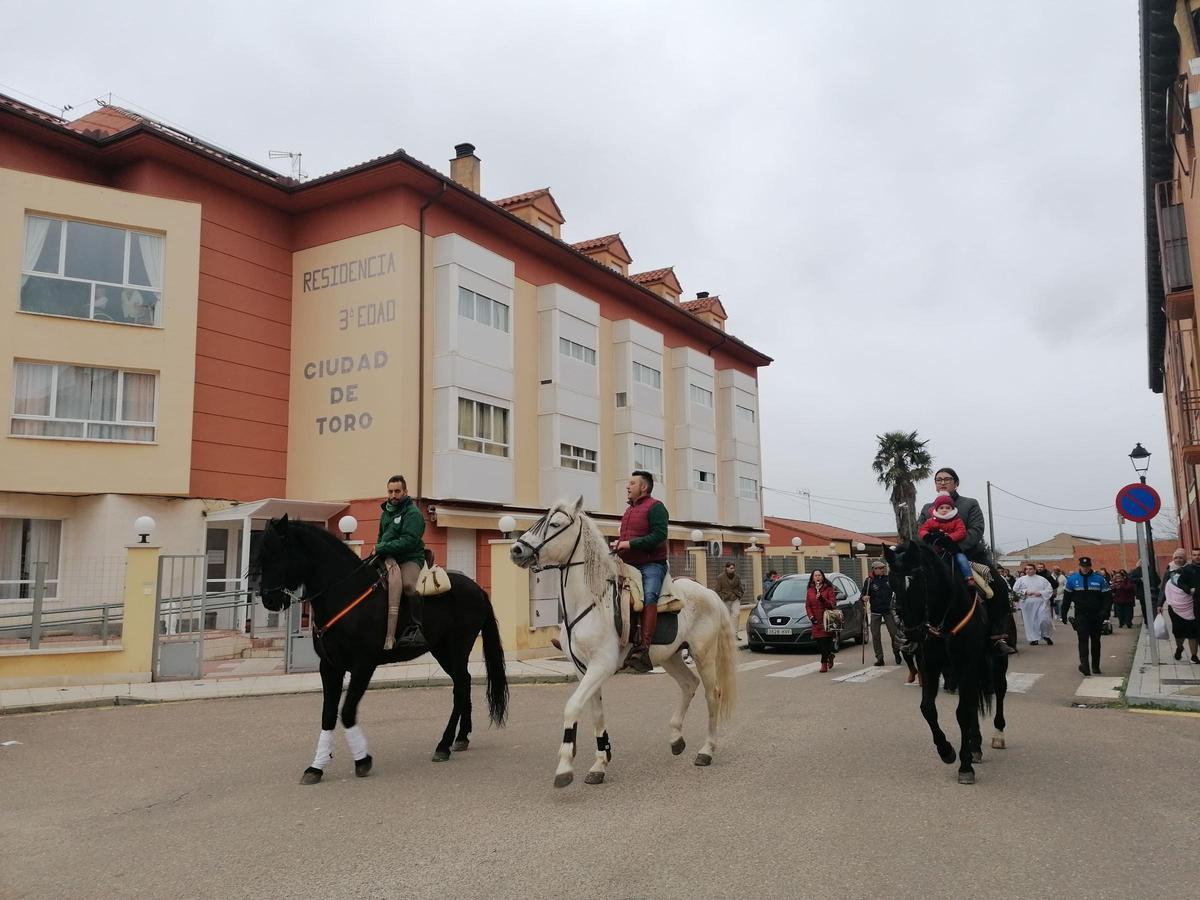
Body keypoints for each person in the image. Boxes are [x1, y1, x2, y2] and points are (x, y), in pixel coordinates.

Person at [919, 468, 1013, 654]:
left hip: (968, 555)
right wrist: (931, 545)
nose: (943, 482)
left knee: (998, 585)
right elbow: (920, 530)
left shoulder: (970, 504)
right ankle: (912, 634)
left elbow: (976, 530)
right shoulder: (927, 508)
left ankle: (997, 636)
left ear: (956, 483)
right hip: (937, 558)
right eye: (939, 480)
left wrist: (954, 545)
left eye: (947, 479)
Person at [613, 470, 669, 673]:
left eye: (632, 483)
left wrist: (629, 543)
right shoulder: (628, 511)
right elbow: (630, 538)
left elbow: (659, 536)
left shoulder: (656, 507)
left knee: (649, 595)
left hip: (651, 564)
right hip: (627, 563)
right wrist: (619, 543)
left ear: (643, 487)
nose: (627, 487)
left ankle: (643, 648)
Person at [375, 475, 427, 649]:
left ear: (405, 491)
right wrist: (379, 548)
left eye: (397, 491)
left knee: (408, 586)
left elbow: (409, 541)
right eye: (390, 491)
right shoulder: (386, 513)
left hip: (410, 558)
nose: (393, 495)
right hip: (389, 557)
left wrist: (382, 548)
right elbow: (381, 538)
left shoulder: (413, 514)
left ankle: (417, 627)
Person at [917, 494, 986, 596]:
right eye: (941, 508)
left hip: (955, 548)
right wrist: (928, 536)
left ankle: (969, 578)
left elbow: (962, 531)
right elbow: (921, 529)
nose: (944, 510)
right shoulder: (930, 519)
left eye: (948, 508)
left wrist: (950, 538)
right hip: (934, 549)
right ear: (936, 509)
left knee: (962, 559)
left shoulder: (958, 518)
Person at [1061, 556, 1112, 677]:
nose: (1085, 568)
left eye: (1087, 566)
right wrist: (1063, 613)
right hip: (1081, 615)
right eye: (1083, 566)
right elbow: (1067, 598)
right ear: (1080, 566)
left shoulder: (1099, 579)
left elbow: (1107, 598)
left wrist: (1105, 613)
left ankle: (1095, 666)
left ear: (1090, 566)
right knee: (1082, 640)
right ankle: (1085, 665)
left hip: (1096, 615)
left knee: (1095, 641)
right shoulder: (1072, 579)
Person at [861, 560, 903, 668]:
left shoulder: (889, 579)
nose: (882, 569)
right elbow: (863, 594)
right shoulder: (869, 581)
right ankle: (879, 658)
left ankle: (896, 652)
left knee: (894, 634)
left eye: (883, 567)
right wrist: (863, 598)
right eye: (880, 568)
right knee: (876, 636)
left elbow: (898, 591)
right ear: (874, 569)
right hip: (875, 612)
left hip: (888, 611)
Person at [1164, 564, 1200, 663]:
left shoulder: (1193, 578)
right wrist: (1159, 605)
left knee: (1193, 633)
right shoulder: (1170, 582)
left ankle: (1194, 656)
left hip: (1192, 608)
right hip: (1175, 610)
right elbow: (1164, 593)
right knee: (1178, 633)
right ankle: (1179, 648)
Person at [1013, 562, 1054, 646]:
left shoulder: (1042, 579)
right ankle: (1034, 638)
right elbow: (1015, 590)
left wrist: (1040, 592)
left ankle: (1046, 635)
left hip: (1041, 603)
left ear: (1035, 570)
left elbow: (1049, 590)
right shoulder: (1021, 579)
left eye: (1030, 569)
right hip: (1028, 604)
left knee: (1044, 619)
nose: (1028, 571)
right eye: (1027, 569)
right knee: (1031, 621)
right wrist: (1025, 592)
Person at [806, 569, 838, 673]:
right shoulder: (810, 590)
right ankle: (829, 656)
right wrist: (811, 617)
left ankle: (823, 664)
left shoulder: (828, 589)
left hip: (827, 619)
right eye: (815, 575)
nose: (817, 577)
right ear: (812, 578)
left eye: (819, 575)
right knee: (820, 643)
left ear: (823, 577)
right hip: (816, 620)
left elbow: (832, 604)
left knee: (825, 642)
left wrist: (822, 598)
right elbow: (808, 605)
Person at [715, 562, 744, 639]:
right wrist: (722, 597)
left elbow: (740, 588)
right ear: (726, 568)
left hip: (735, 598)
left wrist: (740, 595)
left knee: (736, 614)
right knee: (726, 617)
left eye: (733, 568)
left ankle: (735, 634)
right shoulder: (720, 577)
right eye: (731, 568)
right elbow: (717, 590)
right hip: (725, 599)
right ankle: (726, 634)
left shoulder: (737, 577)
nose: (733, 570)